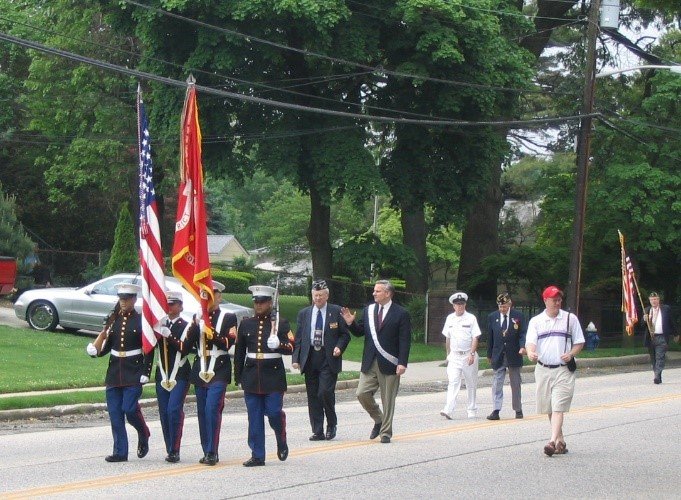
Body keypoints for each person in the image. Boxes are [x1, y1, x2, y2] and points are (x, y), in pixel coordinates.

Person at [85, 283, 152, 463]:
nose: (123, 302)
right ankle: (120, 451)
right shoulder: (113, 319)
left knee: (129, 409)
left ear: (134, 300)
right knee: (115, 414)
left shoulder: (141, 321)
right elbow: (108, 345)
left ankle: (143, 431)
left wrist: (146, 370)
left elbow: (149, 348)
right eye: (121, 299)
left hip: (134, 371)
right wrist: (95, 351)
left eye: (127, 299)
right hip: (115, 372)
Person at [340, 280, 411, 444]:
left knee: (388, 400)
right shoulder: (369, 310)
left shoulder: (401, 313)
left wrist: (402, 362)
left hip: (390, 362)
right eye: (374, 291)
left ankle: (386, 433)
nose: (374, 293)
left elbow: (404, 340)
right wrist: (350, 323)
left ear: (388, 293)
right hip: (370, 361)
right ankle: (378, 419)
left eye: (377, 291)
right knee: (361, 393)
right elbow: (360, 332)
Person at [234, 285, 294, 467]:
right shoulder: (246, 323)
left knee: (274, 412)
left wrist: (280, 345)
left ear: (270, 303)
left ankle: (280, 436)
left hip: (273, 375)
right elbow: (239, 352)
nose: (258, 305)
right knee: (254, 417)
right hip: (251, 375)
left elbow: (292, 347)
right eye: (256, 302)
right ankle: (257, 454)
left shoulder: (281, 323)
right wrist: (238, 377)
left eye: (262, 302)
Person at [525, 285, 584, 456]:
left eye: (559, 299)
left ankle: (551, 442)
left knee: (558, 406)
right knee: (550, 407)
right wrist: (530, 352)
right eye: (554, 300)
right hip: (543, 369)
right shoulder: (536, 321)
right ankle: (560, 441)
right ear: (545, 301)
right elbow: (530, 342)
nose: (557, 302)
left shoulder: (569, 319)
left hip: (563, 370)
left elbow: (579, 342)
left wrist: (571, 353)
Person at [185, 280, 238, 466]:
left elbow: (227, 343)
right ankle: (205, 448)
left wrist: (209, 330)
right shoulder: (198, 315)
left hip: (219, 368)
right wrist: (195, 324)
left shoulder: (229, 317)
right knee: (201, 411)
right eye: (204, 294)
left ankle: (212, 451)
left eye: (211, 294)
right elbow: (187, 345)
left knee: (212, 409)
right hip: (200, 367)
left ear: (219, 296)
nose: (208, 298)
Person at [292, 279, 351, 441]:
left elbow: (345, 335)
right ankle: (317, 430)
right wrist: (296, 358)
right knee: (313, 395)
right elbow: (299, 338)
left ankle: (331, 424)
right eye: (315, 295)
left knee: (325, 392)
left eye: (321, 295)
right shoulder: (304, 314)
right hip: (310, 357)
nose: (318, 298)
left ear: (327, 296)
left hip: (328, 357)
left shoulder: (336, 311)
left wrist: (340, 347)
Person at [155, 290, 192, 463]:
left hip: (180, 373)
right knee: (164, 412)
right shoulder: (159, 325)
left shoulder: (187, 326)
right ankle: (169, 447)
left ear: (180, 306)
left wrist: (169, 336)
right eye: (167, 304)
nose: (169, 307)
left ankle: (175, 449)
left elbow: (185, 349)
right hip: (162, 373)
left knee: (173, 410)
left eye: (173, 304)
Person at [439, 291, 481, 420]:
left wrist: (472, 354)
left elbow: (475, 337)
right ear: (453, 306)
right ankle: (449, 409)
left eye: (462, 304)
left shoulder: (471, 318)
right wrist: (448, 354)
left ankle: (472, 409)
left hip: (468, 354)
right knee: (453, 382)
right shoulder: (450, 318)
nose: (460, 306)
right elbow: (448, 338)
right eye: (457, 304)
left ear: (465, 305)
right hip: (455, 356)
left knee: (471, 383)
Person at [486, 292, 527, 420]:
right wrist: (489, 354)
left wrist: (522, 346)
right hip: (498, 354)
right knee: (497, 382)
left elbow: (522, 334)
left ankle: (518, 409)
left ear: (510, 304)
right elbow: (490, 337)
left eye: (504, 306)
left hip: (514, 353)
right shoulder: (492, 317)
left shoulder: (518, 316)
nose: (502, 309)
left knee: (515, 383)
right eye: (500, 307)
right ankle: (496, 410)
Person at [642, 291, 678, 384]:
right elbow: (641, 325)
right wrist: (644, 319)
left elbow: (671, 322)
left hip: (661, 337)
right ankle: (657, 375)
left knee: (660, 357)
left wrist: (676, 334)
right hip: (651, 338)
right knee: (653, 358)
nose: (654, 301)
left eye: (655, 299)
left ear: (658, 300)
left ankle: (657, 376)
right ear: (649, 301)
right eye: (652, 299)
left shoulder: (665, 309)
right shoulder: (646, 310)